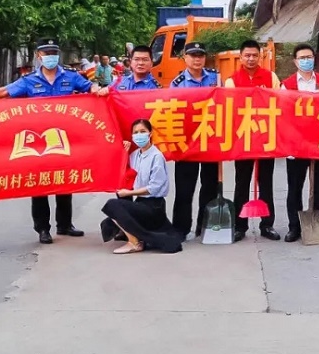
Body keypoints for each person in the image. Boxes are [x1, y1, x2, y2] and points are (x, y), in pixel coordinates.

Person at [0, 38, 105, 244]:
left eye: (54, 53)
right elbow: (4, 92)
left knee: (65, 180)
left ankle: (65, 224)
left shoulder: (70, 76)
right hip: (37, 141)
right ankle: (42, 228)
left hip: (64, 137)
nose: (51, 57)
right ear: (38, 56)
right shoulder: (29, 80)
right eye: (46, 53)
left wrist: (97, 89)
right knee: (40, 184)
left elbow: (89, 87)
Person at [224, 39, 281, 241]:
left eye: (254, 55)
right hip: (243, 139)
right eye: (247, 55)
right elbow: (229, 111)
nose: (250, 59)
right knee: (242, 182)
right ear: (240, 57)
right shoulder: (231, 81)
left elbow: (280, 103)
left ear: (260, 57)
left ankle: (267, 225)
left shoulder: (271, 77)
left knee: (266, 182)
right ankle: (240, 226)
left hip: (266, 138)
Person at [100, 119, 183, 254]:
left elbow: (154, 188)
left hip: (154, 206)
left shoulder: (156, 156)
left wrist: (128, 193)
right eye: (136, 132)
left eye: (142, 131)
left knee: (112, 205)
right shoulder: (134, 155)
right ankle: (130, 234)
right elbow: (124, 173)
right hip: (140, 203)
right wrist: (124, 152)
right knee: (111, 217)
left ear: (150, 134)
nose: (139, 135)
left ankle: (134, 242)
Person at [280, 43, 319, 243]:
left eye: (309, 57)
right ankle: (294, 227)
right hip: (295, 145)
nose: (306, 61)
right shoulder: (286, 85)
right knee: (295, 187)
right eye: (302, 58)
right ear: (295, 61)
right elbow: (283, 115)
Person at [169, 42, 220, 238]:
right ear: (185, 58)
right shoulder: (177, 83)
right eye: (193, 55)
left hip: (210, 140)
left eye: (200, 55)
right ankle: (181, 229)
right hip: (187, 142)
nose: (197, 59)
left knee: (210, 186)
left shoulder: (216, 78)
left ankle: (204, 226)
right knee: (184, 188)